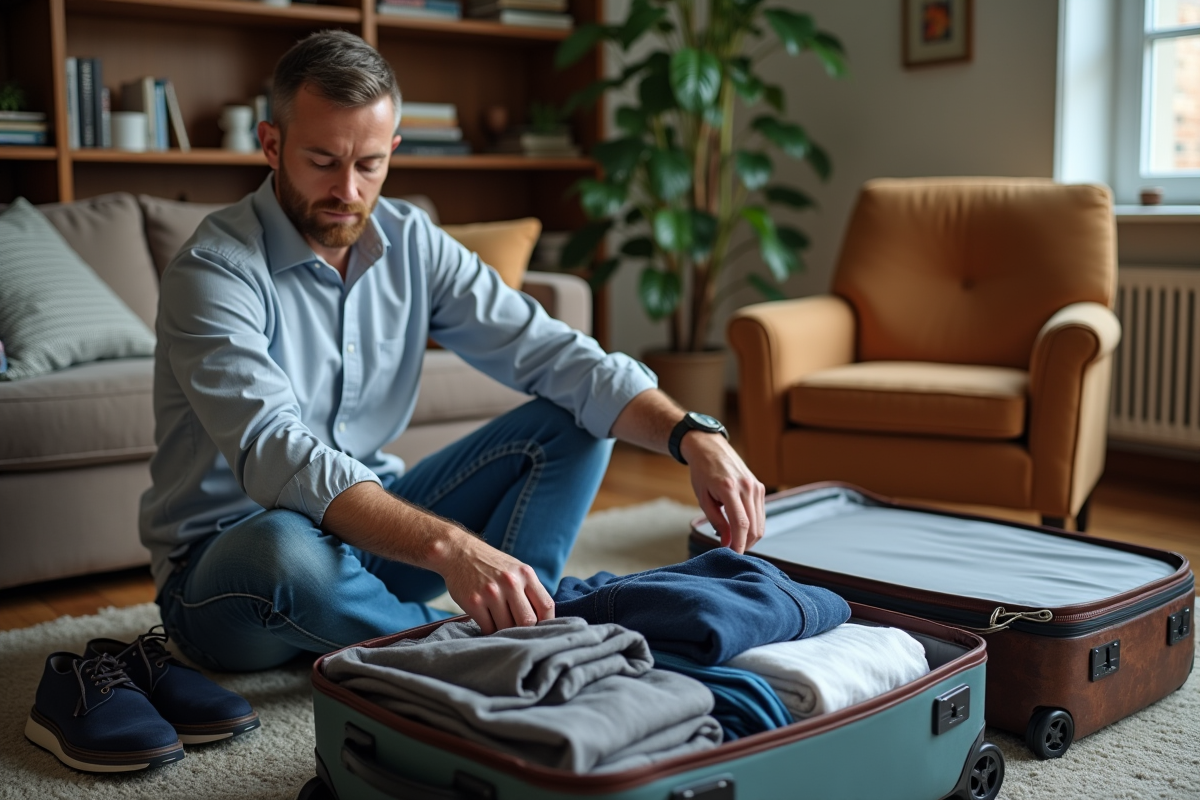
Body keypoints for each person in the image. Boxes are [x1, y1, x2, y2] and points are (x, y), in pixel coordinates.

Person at [140, 30, 765, 672]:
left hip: (368, 547)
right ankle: (490, 647)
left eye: (370, 164)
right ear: (271, 145)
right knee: (284, 546)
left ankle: (520, 615)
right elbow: (277, 455)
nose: (349, 191)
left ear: (394, 150)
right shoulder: (214, 271)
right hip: (227, 577)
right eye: (323, 161)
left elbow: (554, 352)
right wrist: (450, 548)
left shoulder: (411, 240)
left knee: (578, 412)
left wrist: (695, 434)